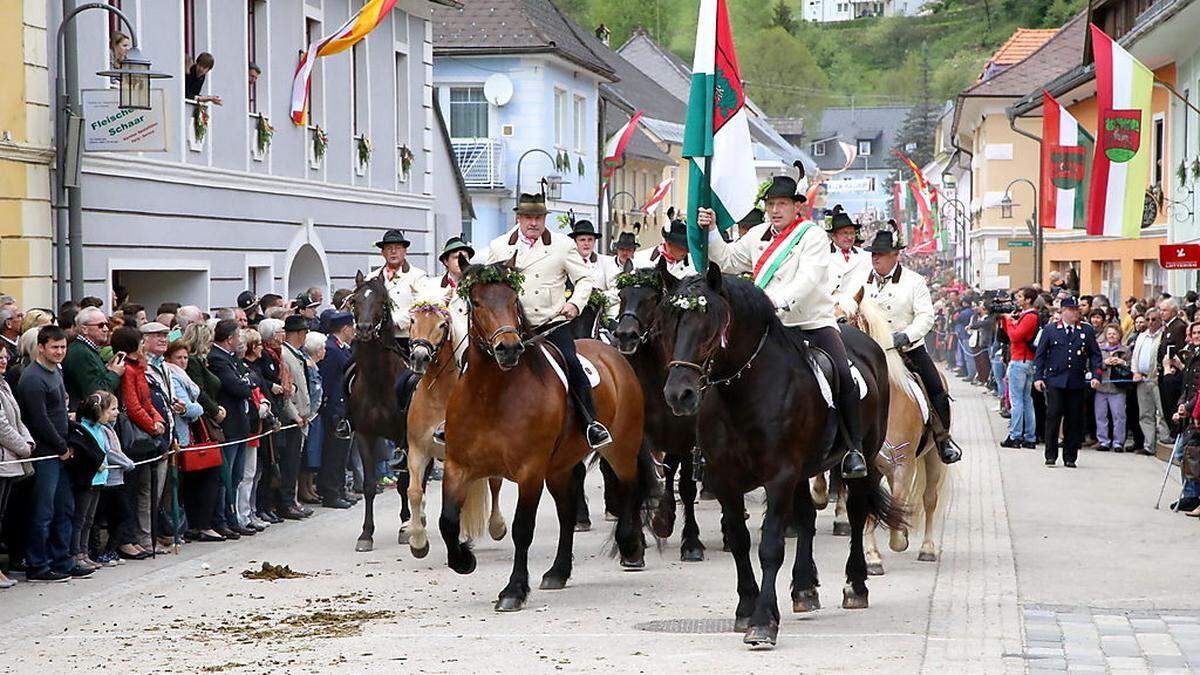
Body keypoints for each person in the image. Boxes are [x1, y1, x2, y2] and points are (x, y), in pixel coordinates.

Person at [698, 176, 870, 476]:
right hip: (770, 326)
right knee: (720, 367)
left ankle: (853, 449)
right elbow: (726, 260)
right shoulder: (756, 236)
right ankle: (712, 446)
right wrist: (712, 230)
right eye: (771, 204)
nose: (775, 210)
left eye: (781, 204)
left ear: (796, 207)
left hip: (811, 322)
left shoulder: (812, 236)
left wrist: (776, 301)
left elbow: (809, 278)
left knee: (843, 373)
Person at [482, 192, 611, 449]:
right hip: (510, 327)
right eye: (528, 217)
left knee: (572, 362)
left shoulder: (562, 245)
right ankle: (457, 421)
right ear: (518, 218)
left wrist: (574, 303)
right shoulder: (499, 247)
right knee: (474, 361)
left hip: (549, 324)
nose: (533, 223)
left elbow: (586, 279)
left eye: (538, 217)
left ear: (544, 219)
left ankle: (590, 423)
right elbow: (488, 284)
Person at [862, 229, 960, 465]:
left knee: (936, 388)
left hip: (906, 350)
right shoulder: (861, 281)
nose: (875, 258)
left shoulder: (914, 281)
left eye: (881, 254)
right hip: (871, 352)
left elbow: (926, 316)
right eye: (873, 254)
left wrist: (905, 336)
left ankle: (942, 438)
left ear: (895, 255)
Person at [18, 326, 93, 581]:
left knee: (65, 507)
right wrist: (61, 448)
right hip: (47, 453)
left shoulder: (55, 373)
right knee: (43, 511)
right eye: (54, 347)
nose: (60, 352)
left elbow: (61, 409)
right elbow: (39, 419)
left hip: (61, 450)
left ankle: (63, 559)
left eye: (62, 347)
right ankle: (38, 564)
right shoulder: (33, 378)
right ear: (41, 347)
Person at [164, 340, 224, 542]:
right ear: (169, 359)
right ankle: (183, 528)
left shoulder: (185, 375)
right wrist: (197, 407)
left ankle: (196, 525)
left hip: (192, 434)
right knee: (180, 485)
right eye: (178, 358)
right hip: (181, 436)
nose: (182, 362)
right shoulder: (172, 375)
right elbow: (191, 408)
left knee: (199, 479)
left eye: (185, 358)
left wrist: (193, 406)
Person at [1033, 297, 1102, 468]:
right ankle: (1050, 454)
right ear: (1063, 311)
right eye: (1070, 310)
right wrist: (1038, 377)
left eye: (1076, 310)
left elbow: (1095, 354)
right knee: (1053, 417)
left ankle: (1070, 456)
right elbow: (1040, 355)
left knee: (1074, 419)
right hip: (1056, 380)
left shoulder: (1085, 330)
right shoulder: (1050, 330)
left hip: (1076, 380)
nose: (1074, 313)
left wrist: (1096, 375)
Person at [207, 319, 256, 538]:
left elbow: (252, 378)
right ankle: (224, 518)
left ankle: (233, 516)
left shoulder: (232, 359)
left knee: (236, 477)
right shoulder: (218, 359)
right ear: (229, 339)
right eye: (238, 337)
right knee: (226, 479)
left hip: (240, 424)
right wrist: (246, 383)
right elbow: (237, 385)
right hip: (229, 425)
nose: (240, 341)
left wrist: (247, 382)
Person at [68, 391, 120, 572]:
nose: (114, 413)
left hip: (99, 480)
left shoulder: (101, 429)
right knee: (80, 518)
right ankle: (76, 553)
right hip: (88, 480)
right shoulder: (83, 429)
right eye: (110, 410)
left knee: (89, 519)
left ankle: (84, 552)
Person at [0, 348, 34, 588]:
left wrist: (28, 441)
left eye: (4, 356)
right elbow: (1, 425)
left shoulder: (4, 385)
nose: (3, 361)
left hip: (11, 459)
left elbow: (17, 418)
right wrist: (23, 447)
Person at [277, 315, 315, 518]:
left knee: (295, 461)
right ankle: (286, 502)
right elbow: (286, 389)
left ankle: (293, 500)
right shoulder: (285, 355)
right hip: (292, 418)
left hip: (301, 415)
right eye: (304, 333)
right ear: (299, 334)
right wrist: (295, 415)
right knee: (289, 463)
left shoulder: (297, 354)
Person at [317, 312, 354, 508]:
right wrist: (332, 408)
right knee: (333, 452)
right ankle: (331, 492)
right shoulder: (331, 349)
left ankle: (339, 489)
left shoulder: (341, 348)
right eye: (352, 328)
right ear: (345, 328)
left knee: (341, 452)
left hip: (344, 407)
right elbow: (329, 381)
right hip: (335, 408)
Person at [371, 229, 427, 346]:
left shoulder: (418, 275)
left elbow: (421, 307)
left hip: (407, 337)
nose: (393, 251)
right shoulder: (372, 277)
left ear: (405, 251)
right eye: (389, 248)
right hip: (379, 338)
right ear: (383, 253)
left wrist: (394, 321)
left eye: (398, 247)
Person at [1000, 288, 1041, 449]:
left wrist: (1009, 321)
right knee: (1026, 400)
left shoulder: (1030, 316)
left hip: (1020, 360)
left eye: (1020, 297)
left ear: (1028, 300)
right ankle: (1029, 436)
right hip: (1026, 360)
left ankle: (1015, 435)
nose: (1016, 300)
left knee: (1017, 400)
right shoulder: (1028, 315)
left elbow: (1016, 336)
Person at [63, 307, 125, 405]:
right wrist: (114, 373)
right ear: (84, 329)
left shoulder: (87, 349)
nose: (106, 329)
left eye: (107, 324)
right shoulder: (81, 353)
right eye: (100, 325)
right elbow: (96, 393)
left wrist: (107, 369)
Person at [824, 204, 871, 317]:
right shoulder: (823, 255)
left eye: (852, 233)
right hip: (831, 310)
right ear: (834, 236)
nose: (849, 237)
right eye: (845, 233)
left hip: (860, 309)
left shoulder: (866, 256)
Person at [1132, 309, 1168, 454]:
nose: (1151, 323)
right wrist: (1135, 372)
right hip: (1142, 378)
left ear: (1160, 321)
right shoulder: (1142, 336)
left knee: (1162, 411)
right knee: (1145, 413)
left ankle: (1164, 439)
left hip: (1156, 378)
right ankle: (1149, 445)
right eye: (1149, 319)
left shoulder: (1163, 336)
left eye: (1154, 319)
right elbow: (1135, 356)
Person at [299, 331, 326, 506]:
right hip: (310, 415)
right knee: (307, 454)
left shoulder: (314, 365)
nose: (325, 350)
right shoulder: (308, 366)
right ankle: (303, 488)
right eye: (323, 347)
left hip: (316, 414)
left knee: (313, 454)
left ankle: (310, 487)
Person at [1094, 324, 1130, 452]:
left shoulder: (1125, 350)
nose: (1111, 336)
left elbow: (1131, 365)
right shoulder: (1100, 349)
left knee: (1119, 416)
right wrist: (1104, 363)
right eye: (1109, 333)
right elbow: (1093, 363)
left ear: (1119, 335)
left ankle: (1118, 442)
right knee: (1100, 415)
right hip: (1102, 387)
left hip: (1118, 388)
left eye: (1114, 333)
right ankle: (1103, 441)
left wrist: (1122, 363)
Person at [1157, 297, 1187, 445]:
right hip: (1164, 371)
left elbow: (1180, 350)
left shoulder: (1179, 327)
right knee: (1165, 404)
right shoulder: (1168, 326)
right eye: (1160, 310)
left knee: (1171, 403)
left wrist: (1175, 366)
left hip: (1174, 374)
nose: (1161, 313)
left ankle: (1176, 433)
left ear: (1174, 311)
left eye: (1165, 310)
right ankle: (1172, 432)